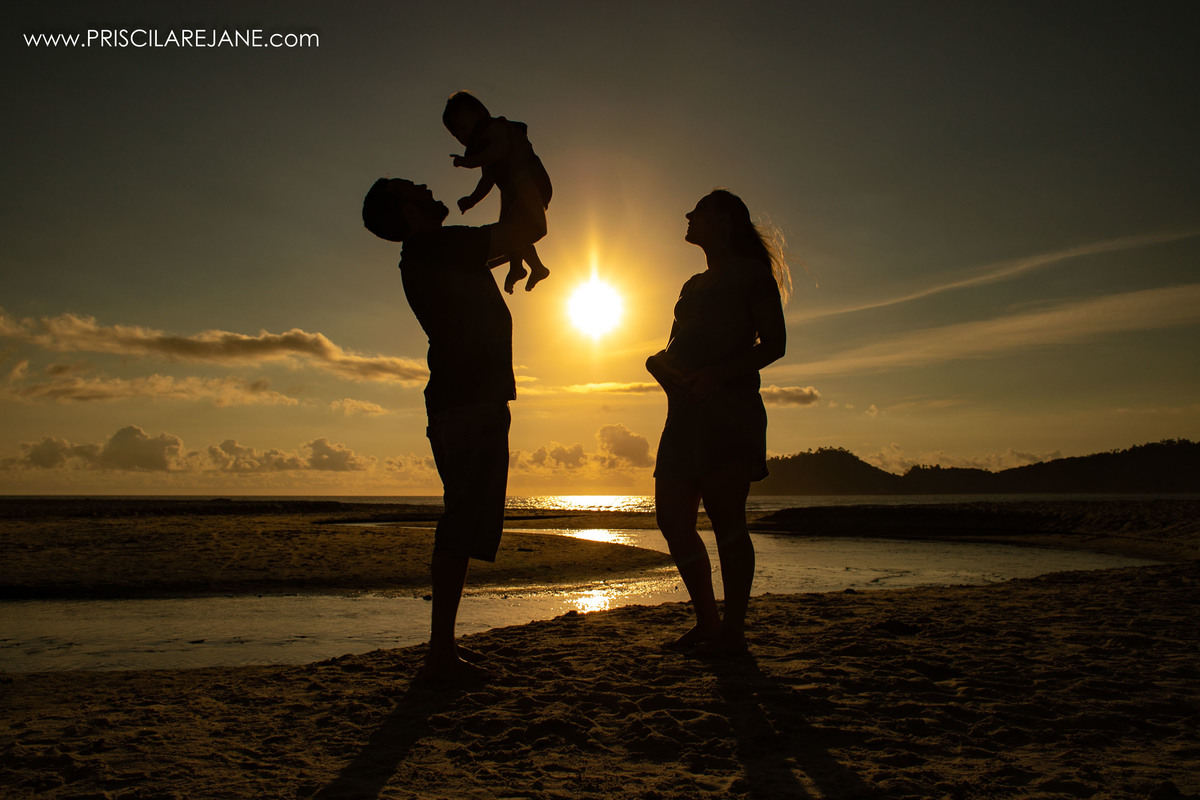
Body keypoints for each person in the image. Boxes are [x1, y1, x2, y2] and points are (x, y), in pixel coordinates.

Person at [361, 166, 546, 679]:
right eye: (412, 189)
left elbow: (513, 239)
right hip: (468, 403)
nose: (424, 186)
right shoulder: (437, 247)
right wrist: (517, 161)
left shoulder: (437, 253)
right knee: (460, 523)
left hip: (464, 401)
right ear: (408, 212)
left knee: (462, 522)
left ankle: (441, 649)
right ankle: (440, 653)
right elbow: (530, 225)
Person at [646, 189, 791, 657]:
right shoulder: (692, 284)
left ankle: (733, 630)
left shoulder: (751, 275)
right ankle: (707, 620)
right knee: (672, 519)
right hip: (684, 412)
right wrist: (659, 364)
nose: (688, 215)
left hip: (729, 409)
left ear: (723, 220)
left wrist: (717, 375)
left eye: (699, 210)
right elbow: (676, 344)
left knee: (728, 522)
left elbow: (774, 344)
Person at [442, 90, 553, 294]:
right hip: (512, 191)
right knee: (512, 228)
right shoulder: (481, 147)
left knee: (521, 225)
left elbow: (498, 151)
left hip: (530, 182)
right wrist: (472, 200)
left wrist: (468, 162)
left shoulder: (495, 128)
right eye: (456, 133)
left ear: (480, 113)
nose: (462, 135)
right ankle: (524, 267)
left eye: (464, 127)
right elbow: (487, 179)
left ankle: (524, 267)